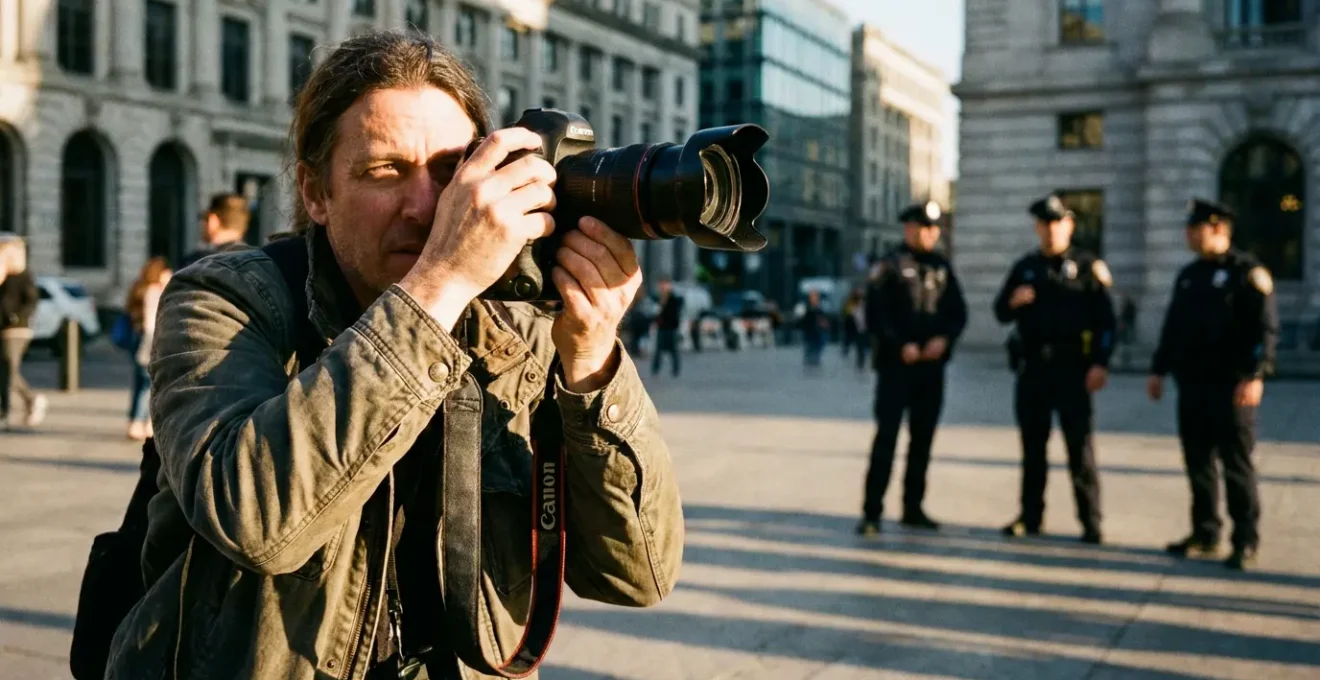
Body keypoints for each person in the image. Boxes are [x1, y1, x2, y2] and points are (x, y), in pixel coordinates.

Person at [104, 30, 683, 680]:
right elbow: (260, 522)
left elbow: (637, 574)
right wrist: (440, 284)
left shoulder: (517, 332)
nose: (426, 205)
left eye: (449, 171)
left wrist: (592, 362)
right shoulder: (225, 300)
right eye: (386, 171)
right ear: (315, 193)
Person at [1148, 198, 1278, 571]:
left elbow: (1266, 329)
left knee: (1236, 465)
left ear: (1219, 228)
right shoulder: (1189, 275)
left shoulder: (1247, 273)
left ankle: (1245, 539)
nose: (1188, 234)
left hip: (1232, 386)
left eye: (1195, 228)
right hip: (1193, 386)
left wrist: (1256, 374)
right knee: (1198, 463)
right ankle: (1205, 533)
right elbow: (1172, 329)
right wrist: (1158, 370)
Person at [993, 194, 1115, 544]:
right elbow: (1000, 311)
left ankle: (1091, 522)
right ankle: (1030, 516)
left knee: (1081, 450)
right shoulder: (1025, 267)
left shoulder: (1088, 267)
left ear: (1070, 225)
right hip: (1033, 372)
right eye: (1044, 224)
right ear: (1037, 227)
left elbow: (1107, 322)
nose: (1050, 230)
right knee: (1033, 449)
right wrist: (1014, 302)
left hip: (1074, 372)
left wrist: (1100, 364)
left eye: (1057, 223)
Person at [856, 202, 966, 536]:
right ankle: (872, 512)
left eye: (934, 228)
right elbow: (876, 315)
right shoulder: (888, 266)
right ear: (908, 229)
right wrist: (898, 344)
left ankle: (913, 507)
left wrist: (944, 340)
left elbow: (957, 314)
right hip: (896, 369)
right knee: (886, 439)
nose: (930, 234)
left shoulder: (942, 268)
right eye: (923, 227)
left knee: (923, 440)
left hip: (930, 371)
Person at [0, 235, 46, 430]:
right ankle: (30, 401)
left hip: (17, 330)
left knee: (8, 369)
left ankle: (17, 406)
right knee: (5, 371)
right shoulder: (3, 276)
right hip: (2, 328)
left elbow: (32, 301)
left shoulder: (24, 276)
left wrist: (15, 317)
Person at [124, 257, 171, 441]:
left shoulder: (141, 288)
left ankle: (135, 421)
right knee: (149, 384)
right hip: (150, 340)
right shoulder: (155, 291)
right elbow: (154, 320)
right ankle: (142, 423)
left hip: (140, 338)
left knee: (141, 383)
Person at [177, 193, 252, 269]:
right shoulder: (257, 261)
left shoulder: (198, 263)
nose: (202, 225)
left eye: (204, 218)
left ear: (212, 220)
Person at [651, 277, 683, 376]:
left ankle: (675, 370)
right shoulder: (658, 299)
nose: (663, 287)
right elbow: (655, 313)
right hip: (662, 328)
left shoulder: (674, 299)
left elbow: (675, 311)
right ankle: (655, 369)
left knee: (674, 350)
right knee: (658, 350)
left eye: (665, 285)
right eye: (661, 285)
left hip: (672, 328)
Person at [797, 290, 830, 373]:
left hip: (818, 336)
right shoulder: (805, 309)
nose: (814, 299)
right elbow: (800, 322)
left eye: (815, 297)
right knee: (809, 355)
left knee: (816, 356)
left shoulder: (820, 309)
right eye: (812, 297)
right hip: (809, 335)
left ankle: (814, 370)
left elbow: (824, 321)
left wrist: (824, 324)